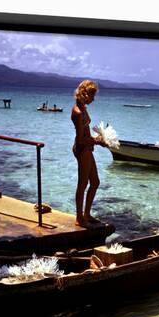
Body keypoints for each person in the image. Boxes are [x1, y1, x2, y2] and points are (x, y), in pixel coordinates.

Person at [71, 80, 106, 227]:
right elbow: (80, 140)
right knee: (83, 184)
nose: (94, 99)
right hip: (82, 149)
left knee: (95, 182)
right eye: (93, 95)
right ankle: (79, 218)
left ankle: (86, 214)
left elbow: (85, 134)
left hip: (86, 148)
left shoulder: (83, 108)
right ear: (85, 94)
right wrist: (96, 141)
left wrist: (97, 139)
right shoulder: (78, 112)